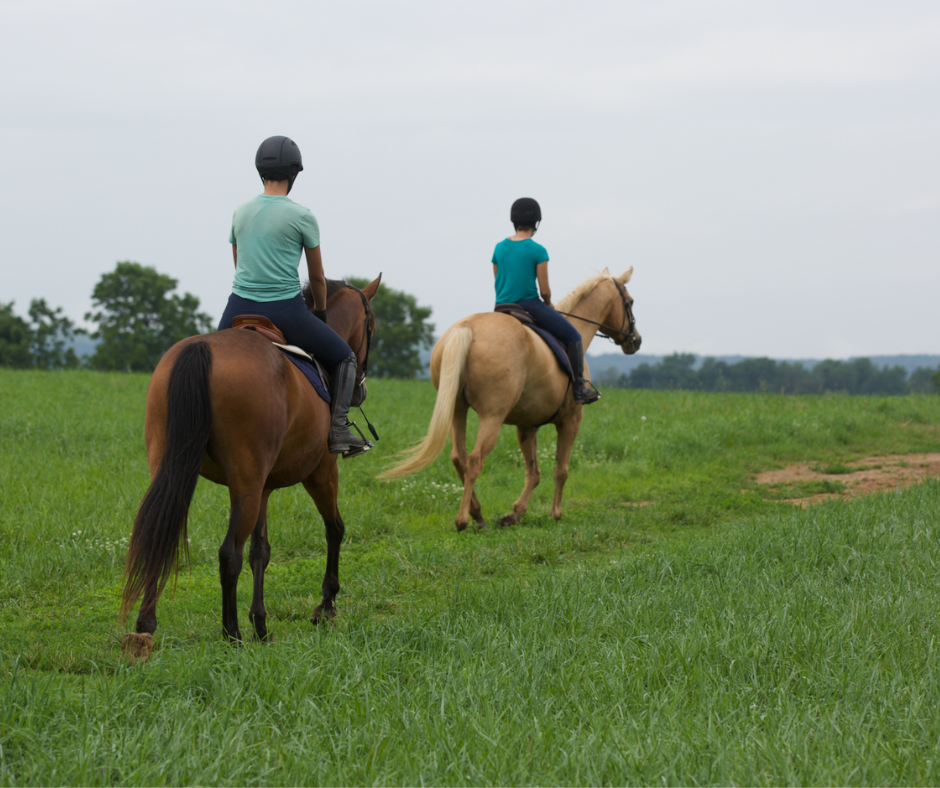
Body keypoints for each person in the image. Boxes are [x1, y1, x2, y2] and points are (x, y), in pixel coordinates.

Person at [217, 135, 373, 457]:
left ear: (260, 171)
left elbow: (239, 263)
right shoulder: (302, 216)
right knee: (345, 357)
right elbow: (317, 276)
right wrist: (318, 309)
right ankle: (339, 429)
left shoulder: (240, 212)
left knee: (212, 357)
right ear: (294, 173)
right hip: (285, 311)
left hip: (237, 307)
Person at [492, 197, 600, 405]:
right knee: (573, 336)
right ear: (536, 223)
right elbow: (545, 290)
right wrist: (548, 304)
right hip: (529, 306)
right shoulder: (538, 250)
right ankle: (579, 390)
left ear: (514, 221)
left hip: (501, 307)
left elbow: (498, 282)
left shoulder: (498, 248)